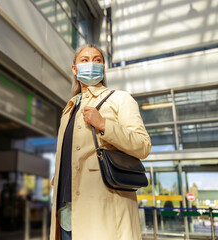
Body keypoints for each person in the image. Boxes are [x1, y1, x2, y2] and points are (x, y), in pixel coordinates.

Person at [49, 44, 151, 240]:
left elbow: (143, 145)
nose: (91, 64)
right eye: (85, 60)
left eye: (97, 60)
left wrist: (103, 125)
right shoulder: (68, 110)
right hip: (65, 214)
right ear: (74, 69)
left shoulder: (120, 99)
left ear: (103, 68)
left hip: (104, 214)